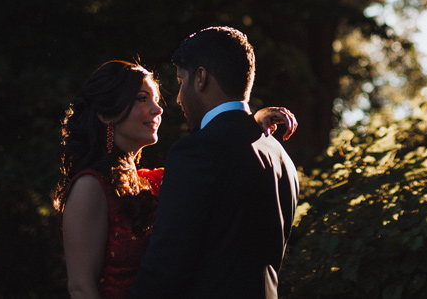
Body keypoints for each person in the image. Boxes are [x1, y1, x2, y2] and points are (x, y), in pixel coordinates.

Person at [53, 60, 296, 299]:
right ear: (107, 114)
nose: (157, 109)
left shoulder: (157, 180)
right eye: (142, 98)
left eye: (156, 100)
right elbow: (82, 289)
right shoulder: (90, 187)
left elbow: (221, 169)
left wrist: (251, 123)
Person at [129, 27, 301, 299]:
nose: (178, 97)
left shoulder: (197, 151)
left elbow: (165, 266)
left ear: (200, 78)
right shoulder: (281, 158)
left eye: (180, 81)